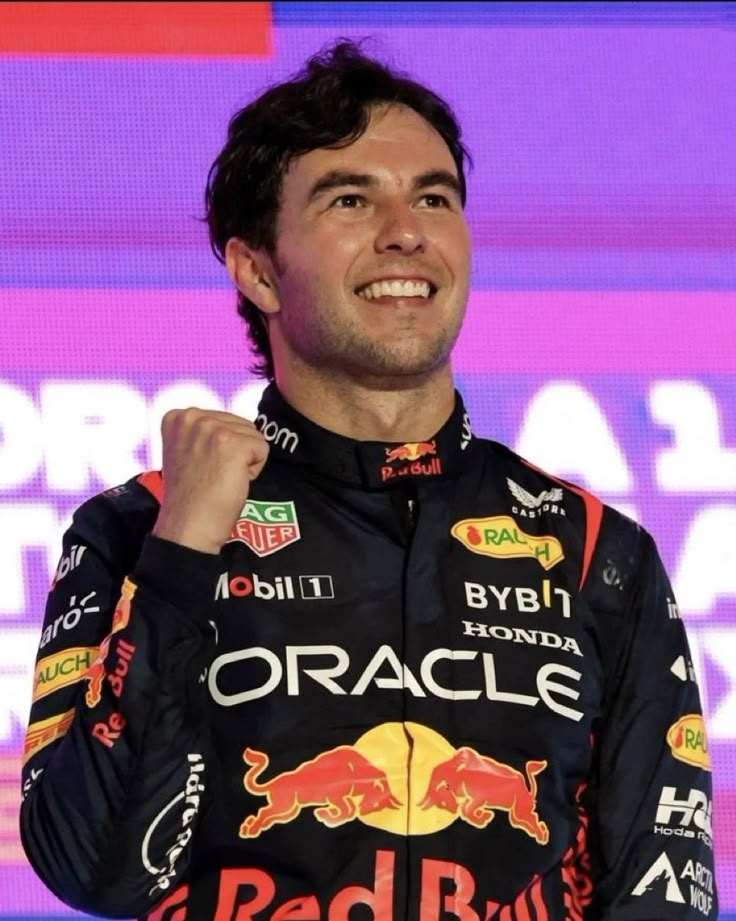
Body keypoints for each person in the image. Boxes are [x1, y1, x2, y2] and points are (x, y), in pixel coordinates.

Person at [20, 40, 716, 921]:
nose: (407, 229)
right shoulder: (139, 529)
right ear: (257, 269)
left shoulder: (596, 553)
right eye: (352, 198)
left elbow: (664, 894)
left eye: (434, 196)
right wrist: (180, 563)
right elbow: (97, 870)